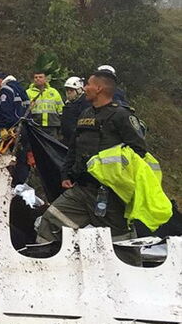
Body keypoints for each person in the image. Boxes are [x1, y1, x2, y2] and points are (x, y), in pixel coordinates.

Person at [35, 70, 147, 244]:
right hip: (81, 190)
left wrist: (114, 174)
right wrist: (66, 174)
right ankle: (44, 264)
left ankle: (132, 269)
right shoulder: (86, 113)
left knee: (121, 242)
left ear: (99, 88)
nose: (85, 88)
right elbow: (73, 147)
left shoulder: (122, 116)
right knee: (51, 222)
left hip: (110, 195)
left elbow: (139, 152)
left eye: (88, 84)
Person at [0, 72, 31, 185]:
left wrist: (3, 127)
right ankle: (21, 186)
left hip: (12, 128)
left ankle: (6, 185)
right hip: (24, 128)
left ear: (0, 81)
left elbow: (5, 110)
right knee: (21, 159)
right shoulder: (22, 90)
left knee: (5, 158)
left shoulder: (6, 89)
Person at [26, 70, 64, 138]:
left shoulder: (54, 92)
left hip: (51, 126)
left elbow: (61, 109)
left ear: (45, 79)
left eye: (40, 77)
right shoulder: (28, 93)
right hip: (35, 126)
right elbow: (24, 110)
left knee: (52, 147)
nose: (38, 79)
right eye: (36, 77)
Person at [60, 76, 88, 144]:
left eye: (71, 90)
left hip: (78, 141)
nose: (68, 92)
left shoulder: (85, 104)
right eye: (67, 90)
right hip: (67, 140)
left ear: (79, 90)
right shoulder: (68, 104)